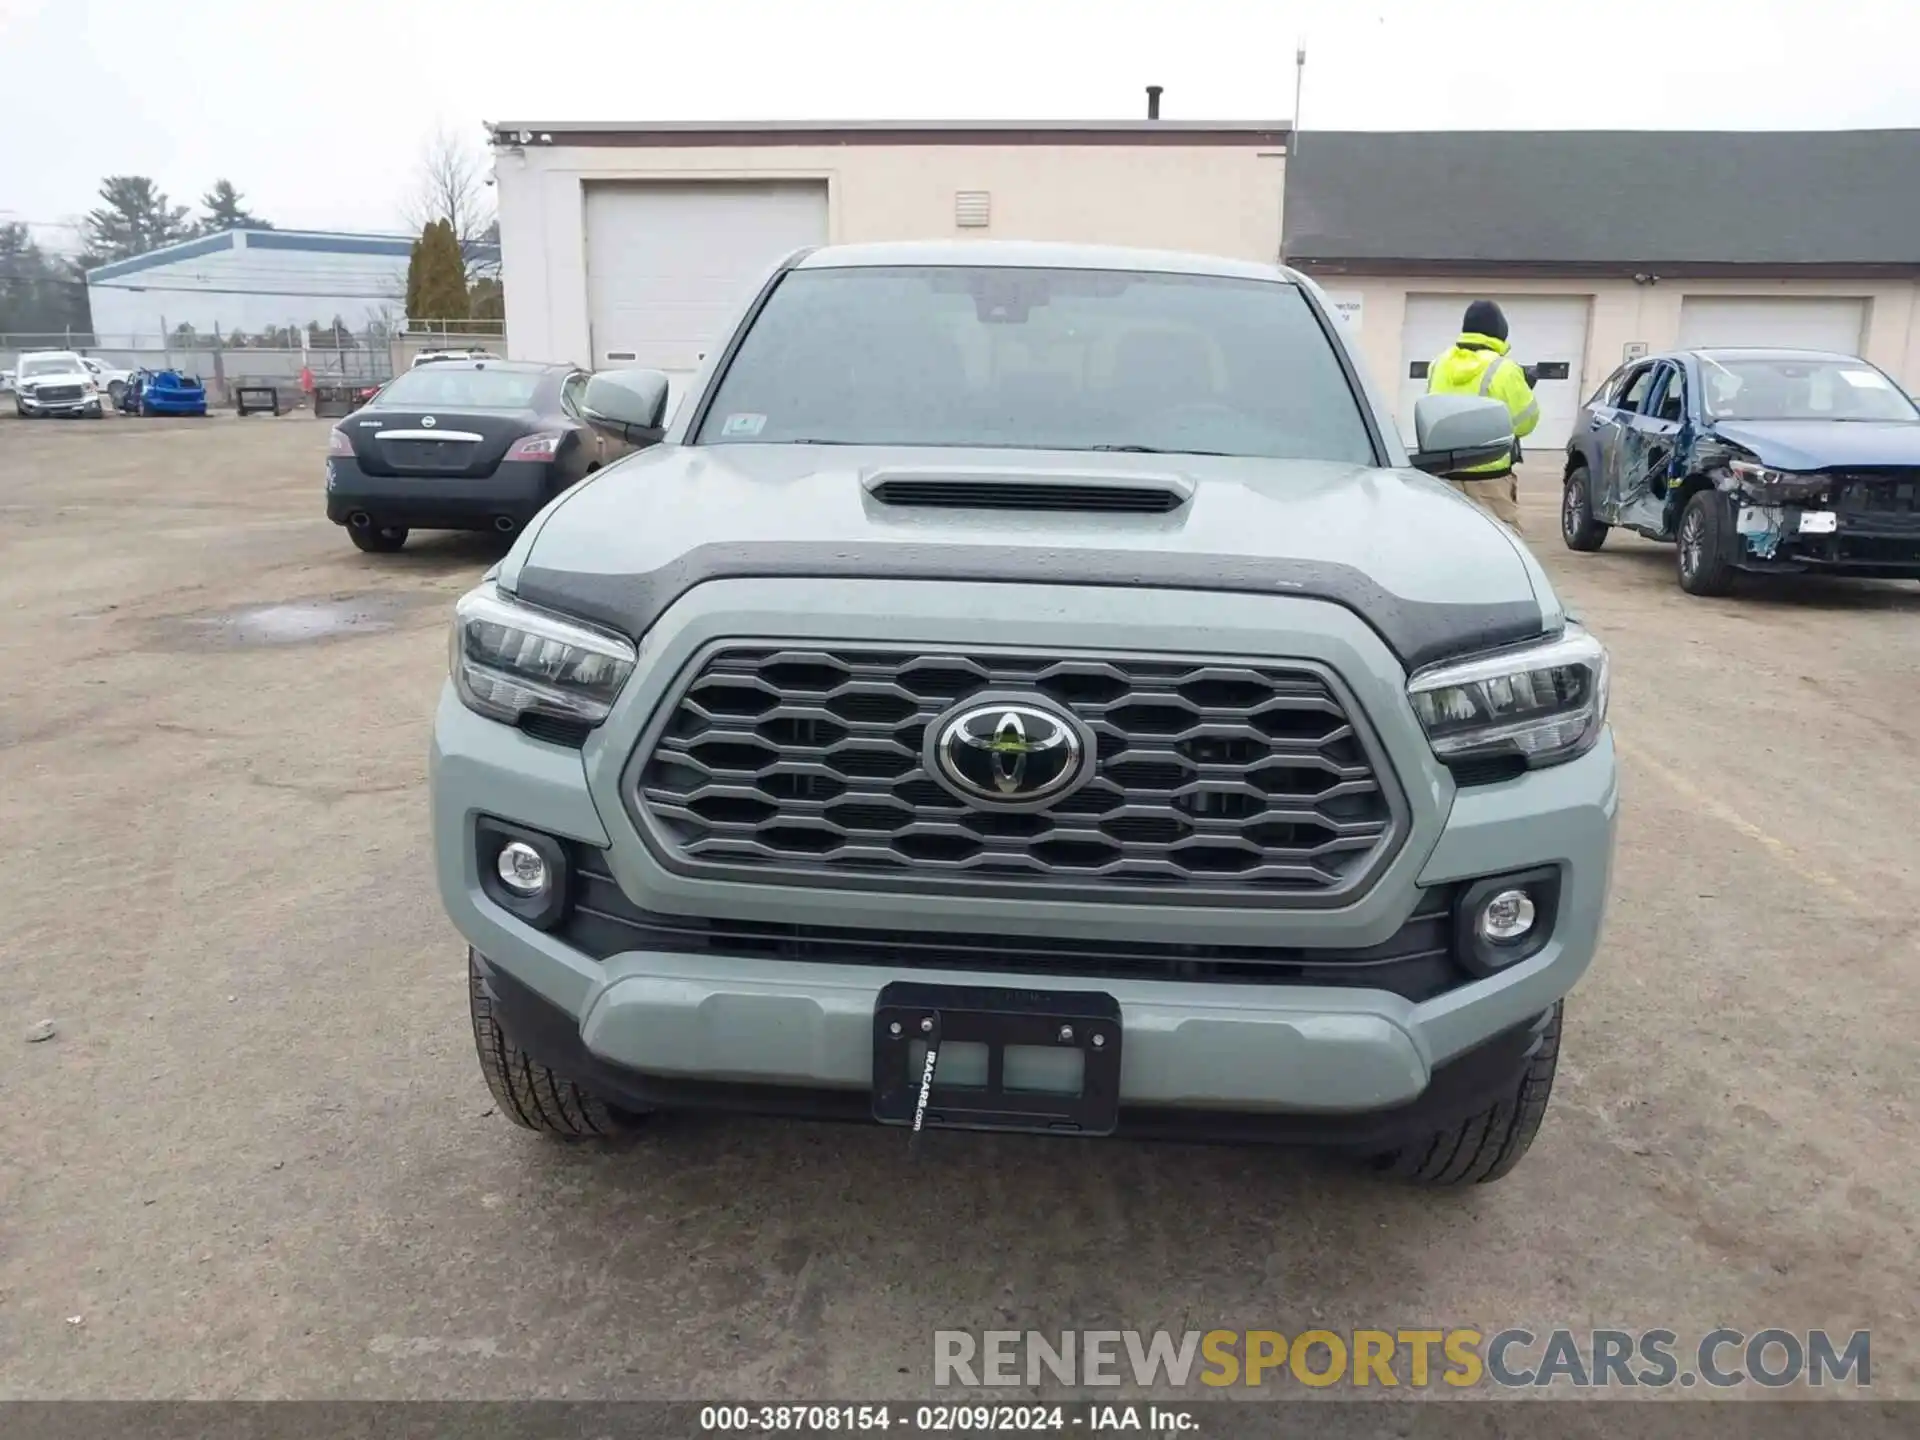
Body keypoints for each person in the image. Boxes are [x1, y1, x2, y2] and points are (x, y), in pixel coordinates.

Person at [1424, 300, 1538, 528]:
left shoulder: (1438, 364)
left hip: (1443, 476)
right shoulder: (1505, 369)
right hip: (1489, 478)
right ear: (1500, 332)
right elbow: (1526, 423)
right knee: (1502, 548)